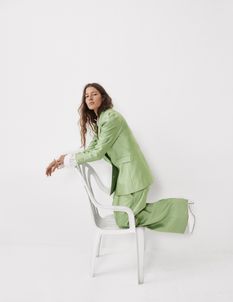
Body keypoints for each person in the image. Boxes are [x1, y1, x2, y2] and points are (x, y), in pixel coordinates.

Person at [46, 82, 189, 234]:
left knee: (124, 219)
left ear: (103, 97)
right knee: (124, 218)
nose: (89, 98)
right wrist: (63, 159)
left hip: (134, 176)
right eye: (86, 96)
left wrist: (68, 160)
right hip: (125, 176)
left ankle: (181, 210)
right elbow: (91, 149)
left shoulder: (111, 118)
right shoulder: (102, 120)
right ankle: (180, 212)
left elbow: (97, 153)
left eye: (94, 94)